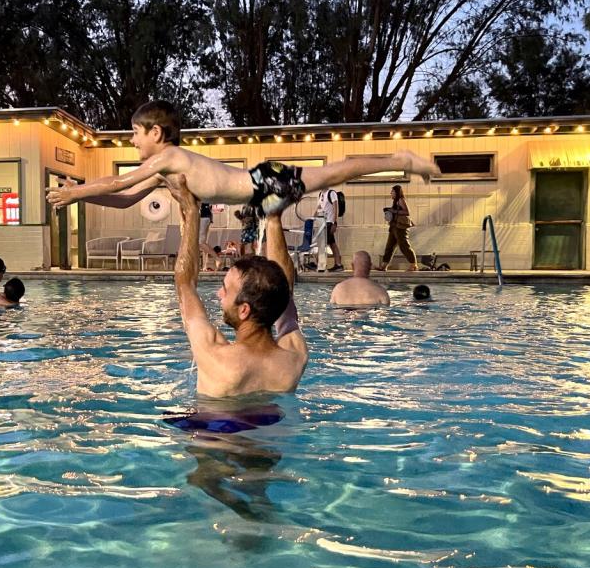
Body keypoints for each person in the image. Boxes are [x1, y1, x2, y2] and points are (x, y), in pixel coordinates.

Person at [45, 100, 439, 215]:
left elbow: (119, 180)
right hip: (257, 197)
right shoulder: (164, 170)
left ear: (156, 134)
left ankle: (401, 158)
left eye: (134, 133)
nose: (131, 141)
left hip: (262, 183)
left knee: (335, 173)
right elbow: (124, 198)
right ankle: (400, 159)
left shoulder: (168, 158)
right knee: (332, 176)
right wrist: (82, 193)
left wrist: (76, 193)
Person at [166, 174, 308, 397]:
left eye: (225, 288)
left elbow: (185, 285)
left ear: (244, 310)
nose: (218, 293)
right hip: (273, 428)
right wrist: (273, 218)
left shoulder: (217, 358)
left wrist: (191, 211)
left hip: (214, 431)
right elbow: (284, 291)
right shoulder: (294, 358)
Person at [380, 184, 419, 271]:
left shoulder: (400, 200)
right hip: (394, 226)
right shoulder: (395, 201)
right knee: (389, 246)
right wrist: (389, 210)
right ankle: (384, 266)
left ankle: (413, 265)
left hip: (400, 227)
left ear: (397, 192)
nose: (391, 193)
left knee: (404, 245)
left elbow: (407, 212)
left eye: (392, 192)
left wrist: (392, 210)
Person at [316, 188, 343, 271]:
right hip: (323, 222)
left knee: (322, 244)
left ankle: (320, 265)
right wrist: (312, 217)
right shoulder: (321, 194)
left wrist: (334, 223)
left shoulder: (331, 193)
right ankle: (338, 264)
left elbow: (336, 208)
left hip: (329, 222)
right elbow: (319, 207)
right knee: (332, 244)